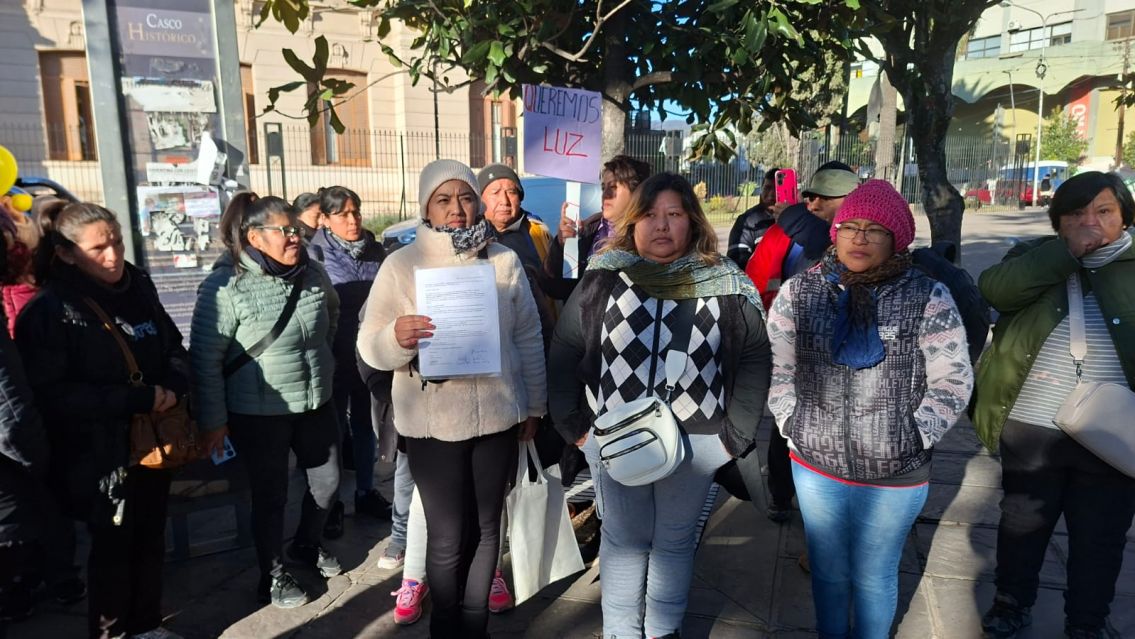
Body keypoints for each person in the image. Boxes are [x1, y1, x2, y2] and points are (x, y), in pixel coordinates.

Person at [548, 172, 771, 639]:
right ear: (633, 222)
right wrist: (577, 430)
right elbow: (565, 352)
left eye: (674, 214)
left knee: (673, 544)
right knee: (624, 544)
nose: (662, 226)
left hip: (698, 444)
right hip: (617, 442)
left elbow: (754, 357)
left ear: (692, 222)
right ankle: (622, 632)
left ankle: (663, 630)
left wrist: (734, 437)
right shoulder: (605, 279)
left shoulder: (725, 282)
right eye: (650, 214)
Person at [766, 180, 973, 639]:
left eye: (875, 230)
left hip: (896, 474)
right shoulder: (801, 292)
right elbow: (778, 368)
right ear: (834, 233)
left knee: (875, 575)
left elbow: (953, 379)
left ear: (896, 238)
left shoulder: (927, 296)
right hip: (816, 465)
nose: (859, 238)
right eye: (850, 227)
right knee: (828, 571)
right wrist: (792, 424)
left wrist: (914, 434)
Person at [357, 159, 546, 639]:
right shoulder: (402, 265)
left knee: (486, 530)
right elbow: (368, 346)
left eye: (464, 197)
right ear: (426, 206)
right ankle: (445, 629)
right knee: (445, 536)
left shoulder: (502, 260)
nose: (457, 209)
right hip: (432, 424)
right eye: (444, 199)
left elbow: (528, 338)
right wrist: (397, 338)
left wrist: (535, 406)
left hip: (500, 418)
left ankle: (474, 627)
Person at [15, 201, 191, 639]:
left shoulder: (140, 285)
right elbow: (51, 395)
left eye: (116, 242)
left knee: (150, 537)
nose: (113, 256)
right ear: (67, 252)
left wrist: (172, 386)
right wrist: (137, 398)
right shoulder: (50, 311)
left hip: (153, 442)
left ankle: (148, 624)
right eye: (99, 248)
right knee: (112, 549)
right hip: (96, 455)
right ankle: (111, 632)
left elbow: (172, 346)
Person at [975, 171, 1135, 639]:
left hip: (1114, 432)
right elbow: (996, 291)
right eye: (1076, 213)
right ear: (1058, 221)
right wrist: (1066, 255)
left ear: (1124, 215)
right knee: (1022, 523)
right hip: (1032, 422)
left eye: (1103, 211)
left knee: (1100, 536)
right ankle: (1011, 603)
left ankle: (1086, 621)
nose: (1090, 222)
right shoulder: (1035, 258)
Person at [190, 193, 341, 610]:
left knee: (327, 483)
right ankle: (271, 574)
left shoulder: (313, 274)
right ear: (255, 237)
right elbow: (205, 359)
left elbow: (333, 316)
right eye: (285, 231)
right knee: (271, 496)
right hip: (258, 413)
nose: (296, 237)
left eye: (297, 229)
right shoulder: (226, 285)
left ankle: (306, 546)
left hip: (315, 401)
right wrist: (213, 422)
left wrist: (320, 363)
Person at [746, 161, 860, 526]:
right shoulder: (785, 233)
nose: (811, 204)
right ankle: (782, 495)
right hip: (792, 349)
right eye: (807, 197)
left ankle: (825, 508)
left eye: (820, 199)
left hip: (845, 359)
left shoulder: (861, 238)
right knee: (786, 426)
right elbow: (757, 277)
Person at [307, 186, 391, 539]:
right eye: (342, 214)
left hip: (369, 356)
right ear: (325, 220)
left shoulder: (377, 252)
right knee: (334, 431)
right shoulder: (315, 255)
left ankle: (365, 492)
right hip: (333, 357)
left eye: (356, 212)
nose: (353, 220)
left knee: (364, 428)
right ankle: (335, 502)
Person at [544, 154, 652, 300]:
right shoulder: (587, 231)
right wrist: (562, 246)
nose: (605, 194)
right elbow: (557, 290)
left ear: (637, 193)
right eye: (603, 187)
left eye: (613, 187)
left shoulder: (653, 237)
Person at [726, 167, 779, 269]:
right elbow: (736, 263)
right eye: (768, 188)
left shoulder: (798, 221)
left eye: (777, 189)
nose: (772, 195)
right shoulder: (746, 221)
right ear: (761, 189)